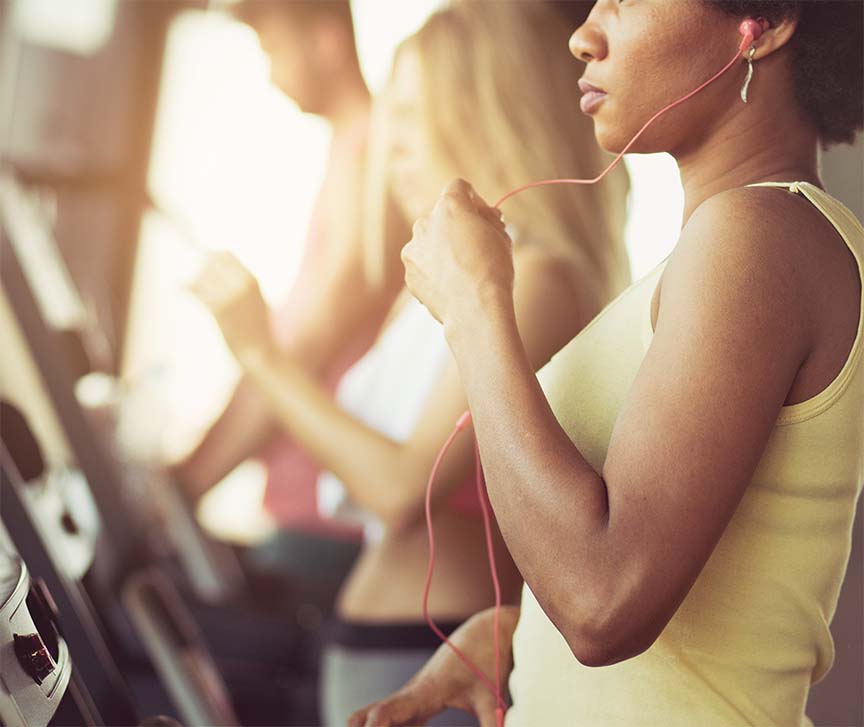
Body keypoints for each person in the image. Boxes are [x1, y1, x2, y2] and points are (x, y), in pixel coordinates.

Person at [349, 1, 864, 726]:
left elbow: (601, 605)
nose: (583, 35)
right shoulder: (722, 247)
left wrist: (474, 307)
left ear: (766, 23)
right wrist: (519, 635)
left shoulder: (757, 237)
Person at [188, 3, 630, 724]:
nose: (392, 144)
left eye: (415, 112)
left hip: (423, 645)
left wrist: (259, 352)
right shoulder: (449, 276)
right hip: (376, 642)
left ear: (480, 115)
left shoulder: (537, 276)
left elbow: (399, 486)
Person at [171, 0, 406, 610]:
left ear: (325, 41)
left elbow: (300, 347)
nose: (270, 74)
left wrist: (184, 485)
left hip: (327, 525)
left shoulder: (373, 154)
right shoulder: (348, 154)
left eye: (272, 50)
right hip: (312, 514)